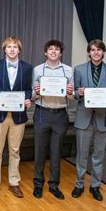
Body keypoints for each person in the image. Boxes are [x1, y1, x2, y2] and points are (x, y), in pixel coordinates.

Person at [71, 39, 106, 201]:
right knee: (82, 155)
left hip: (103, 120)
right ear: (89, 52)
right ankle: (79, 184)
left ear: (103, 52)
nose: (96, 53)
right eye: (93, 50)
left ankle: (95, 186)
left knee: (99, 155)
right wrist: (80, 92)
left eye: (99, 50)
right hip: (83, 118)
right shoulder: (78, 70)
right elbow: (75, 95)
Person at [0, 36, 32, 198]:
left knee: (15, 151)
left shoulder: (27, 68)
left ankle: (14, 182)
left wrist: (28, 98)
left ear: (19, 50)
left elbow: (28, 89)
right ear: (4, 49)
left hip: (18, 116)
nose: (12, 49)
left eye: (15, 47)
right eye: (9, 47)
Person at [31, 40, 74, 200]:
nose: (54, 52)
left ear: (61, 53)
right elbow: (33, 95)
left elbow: (72, 96)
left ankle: (54, 185)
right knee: (40, 151)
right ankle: (38, 185)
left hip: (60, 115)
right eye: (51, 49)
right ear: (45, 52)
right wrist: (36, 92)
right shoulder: (38, 70)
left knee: (56, 153)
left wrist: (70, 92)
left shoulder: (69, 71)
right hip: (42, 113)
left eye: (57, 49)